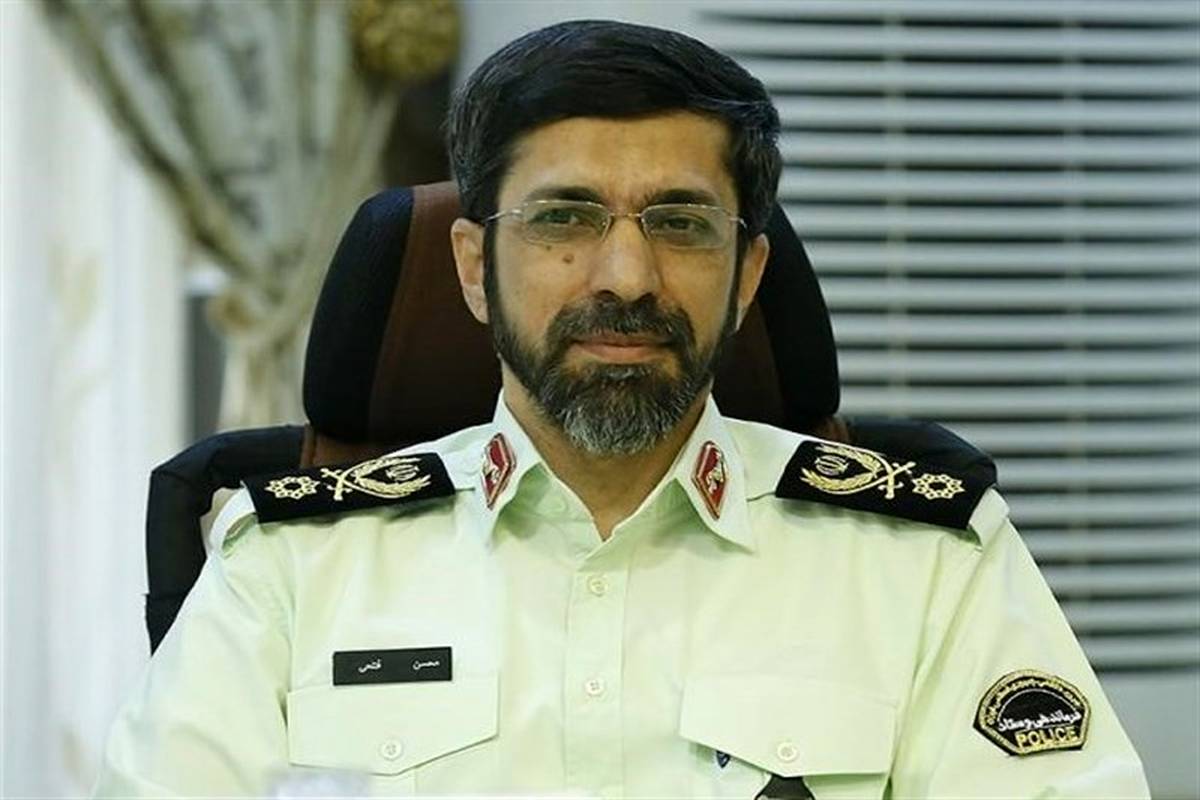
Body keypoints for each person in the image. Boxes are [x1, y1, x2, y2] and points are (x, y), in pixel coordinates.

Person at [96, 19, 1150, 798]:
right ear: (473, 267)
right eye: (565, 217)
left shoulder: (925, 562)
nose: (628, 276)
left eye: (682, 223)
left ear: (746, 276)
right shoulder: (289, 566)